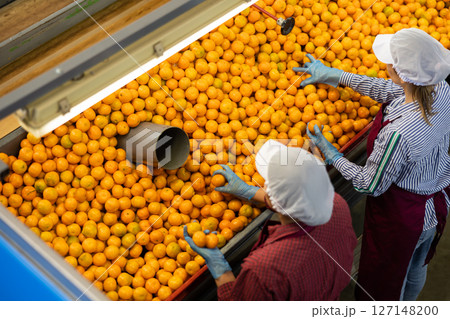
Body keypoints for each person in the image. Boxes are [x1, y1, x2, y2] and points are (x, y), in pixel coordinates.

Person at [293, 28, 450, 301]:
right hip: (435, 204)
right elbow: (391, 90)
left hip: (405, 218)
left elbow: (370, 184)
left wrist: (332, 155)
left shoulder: (399, 134)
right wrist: (336, 75)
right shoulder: (441, 89)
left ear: (400, 74)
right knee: (416, 267)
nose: (386, 65)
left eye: (390, 63)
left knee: (385, 283)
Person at [184, 140, 357, 300]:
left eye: (267, 184)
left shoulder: (264, 269)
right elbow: (294, 200)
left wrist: (220, 269)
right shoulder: (336, 203)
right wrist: (249, 191)